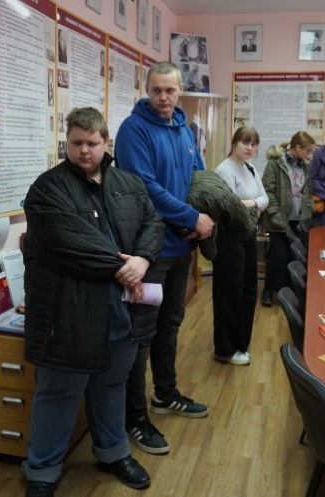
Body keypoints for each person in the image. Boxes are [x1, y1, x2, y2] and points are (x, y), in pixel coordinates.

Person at [21, 107, 164, 497]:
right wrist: (125, 267)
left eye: (92, 143)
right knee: (58, 393)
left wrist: (143, 259)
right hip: (67, 314)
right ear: (66, 142)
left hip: (120, 313)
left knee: (111, 385)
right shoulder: (47, 189)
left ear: (106, 143)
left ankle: (114, 452)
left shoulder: (129, 184)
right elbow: (68, 243)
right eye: (76, 143)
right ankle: (42, 472)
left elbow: (153, 223)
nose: (84, 150)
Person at [115, 61, 212, 456]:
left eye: (170, 90)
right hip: (149, 253)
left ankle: (165, 394)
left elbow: (199, 177)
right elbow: (145, 188)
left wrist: (200, 218)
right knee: (140, 335)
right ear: (147, 89)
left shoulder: (185, 130)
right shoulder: (133, 129)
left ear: (180, 89)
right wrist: (191, 217)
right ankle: (134, 416)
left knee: (170, 325)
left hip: (180, 248)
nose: (164, 97)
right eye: (156, 90)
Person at [212, 126, 267, 365]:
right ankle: (225, 349)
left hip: (248, 234)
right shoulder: (224, 170)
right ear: (234, 143)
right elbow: (231, 206)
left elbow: (265, 199)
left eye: (254, 144)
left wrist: (250, 203)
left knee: (248, 289)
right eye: (245, 142)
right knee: (229, 293)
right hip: (229, 238)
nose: (249, 148)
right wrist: (255, 204)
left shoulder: (251, 168)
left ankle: (240, 343)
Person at [261, 132, 315, 307]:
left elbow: (307, 191)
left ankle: (289, 293)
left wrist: (308, 210)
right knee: (277, 258)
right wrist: (275, 215)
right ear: (298, 147)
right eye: (308, 150)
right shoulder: (275, 163)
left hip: (297, 220)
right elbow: (267, 191)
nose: (310, 154)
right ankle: (268, 291)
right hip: (278, 220)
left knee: (292, 259)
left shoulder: (304, 165)